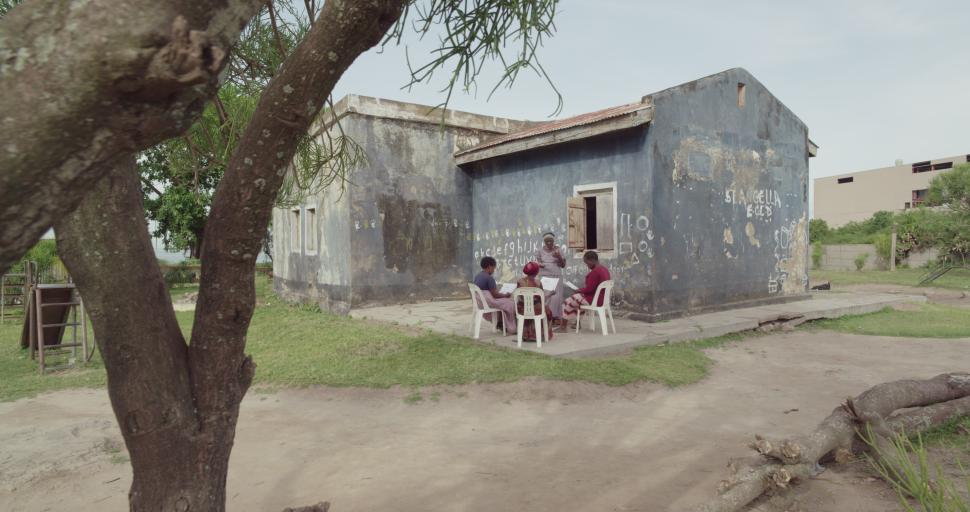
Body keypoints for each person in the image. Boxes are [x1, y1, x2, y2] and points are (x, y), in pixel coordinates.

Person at [561, 250, 611, 329]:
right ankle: (577, 323)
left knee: (568, 301)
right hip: (602, 299)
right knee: (577, 299)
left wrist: (579, 290)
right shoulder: (604, 269)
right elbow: (593, 288)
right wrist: (581, 291)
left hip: (594, 299)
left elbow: (589, 289)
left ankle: (563, 327)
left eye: (587, 263)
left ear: (592, 260)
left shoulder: (595, 272)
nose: (587, 265)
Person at [473, 256, 516, 334]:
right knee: (510, 303)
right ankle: (510, 326)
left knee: (504, 303)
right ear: (489, 266)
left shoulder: (478, 276)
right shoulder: (489, 278)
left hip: (481, 303)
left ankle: (501, 323)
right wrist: (505, 295)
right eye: (494, 268)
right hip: (488, 303)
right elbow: (495, 295)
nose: (494, 270)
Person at [514, 261, 554, 342]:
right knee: (548, 311)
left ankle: (525, 335)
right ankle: (540, 335)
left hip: (521, 309)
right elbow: (541, 298)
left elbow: (519, 296)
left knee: (529, 309)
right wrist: (550, 294)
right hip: (535, 309)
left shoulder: (519, 281)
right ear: (536, 272)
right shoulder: (538, 283)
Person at [534, 232, 566, 323]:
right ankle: (546, 315)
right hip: (544, 276)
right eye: (546, 241)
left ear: (553, 241)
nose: (549, 243)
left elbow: (563, 265)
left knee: (556, 296)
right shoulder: (539, 251)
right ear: (544, 241)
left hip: (556, 275)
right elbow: (538, 262)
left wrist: (558, 256)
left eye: (550, 241)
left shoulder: (558, 250)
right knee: (546, 295)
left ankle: (555, 316)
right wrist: (540, 265)